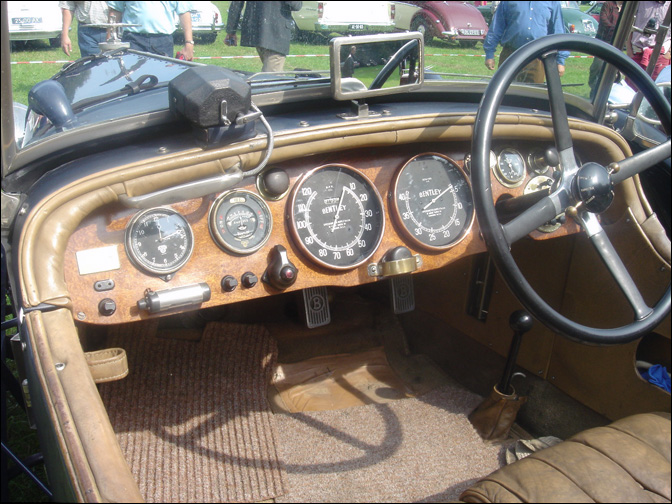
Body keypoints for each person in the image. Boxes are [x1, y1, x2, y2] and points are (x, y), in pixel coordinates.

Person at [483, 1, 569, 84]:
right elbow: (496, 27)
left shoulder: (553, 2)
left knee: (533, 91)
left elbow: (558, 31)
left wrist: (560, 61)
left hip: (537, 57)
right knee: (507, 91)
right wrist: (489, 54)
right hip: (511, 55)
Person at [225, 1, 303, 73]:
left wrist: (231, 30)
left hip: (257, 32)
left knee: (275, 73)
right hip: (276, 33)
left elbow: (236, 4)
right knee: (271, 78)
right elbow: (296, 5)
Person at [106, 1, 194, 60]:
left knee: (161, 78)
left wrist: (189, 43)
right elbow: (115, 10)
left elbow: (184, 12)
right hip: (133, 40)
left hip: (163, 42)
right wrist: (108, 41)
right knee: (132, 78)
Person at [626, 1, 671, 85]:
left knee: (657, 90)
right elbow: (628, 24)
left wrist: (668, 53)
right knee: (631, 89)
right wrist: (629, 52)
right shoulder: (639, 2)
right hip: (637, 54)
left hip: (661, 57)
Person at [588, 1, 623, 99]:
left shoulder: (625, 9)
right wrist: (616, 29)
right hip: (603, 41)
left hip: (617, 43)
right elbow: (603, 20)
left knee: (614, 70)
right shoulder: (608, 4)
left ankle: (608, 94)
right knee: (597, 67)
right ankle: (593, 90)